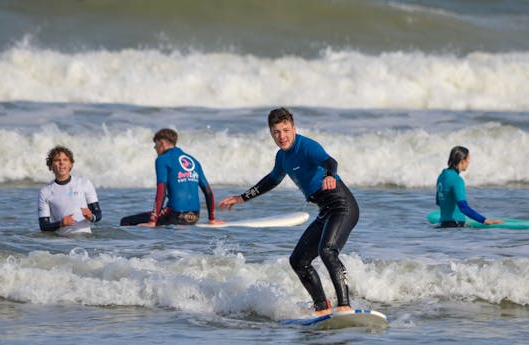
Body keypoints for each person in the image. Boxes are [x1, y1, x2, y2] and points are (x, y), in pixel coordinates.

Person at [219, 108, 359, 316]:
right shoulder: (282, 158)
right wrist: (242, 197)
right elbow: (271, 180)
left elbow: (330, 161)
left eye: (285, 130)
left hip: (342, 206)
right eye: (276, 132)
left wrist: (330, 175)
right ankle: (321, 307)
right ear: (271, 133)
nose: (282, 136)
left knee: (327, 251)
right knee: (298, 261)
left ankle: (345, 305)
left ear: (293, 128)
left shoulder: (307, 146)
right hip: (325, 211)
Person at [120, 128, 223, 227]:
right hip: (194, 217)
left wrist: (152, 220)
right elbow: (208, 192)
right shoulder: (194, 161)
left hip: (175, 215)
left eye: (155, 144)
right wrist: (212, 219)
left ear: (162, 143)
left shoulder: (162, 160)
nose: (154, 148)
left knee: (125, 221)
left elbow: (161, 192)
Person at [38, 146, 102, 235]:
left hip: (86, 240)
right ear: (51, 165)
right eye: (57, 160)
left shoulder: (85, 184)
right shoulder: (45, 192)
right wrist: (61, 223)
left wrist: (91, 217)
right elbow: (43, 226)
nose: (61, 163)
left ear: (71, 164)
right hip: (62, 241)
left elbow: (98, 214)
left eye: (65, 160)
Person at [436, 146, 503, 227]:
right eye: (468, 159)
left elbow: (438, 201)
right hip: (455, 227)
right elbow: (464, 208)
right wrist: (485, 220)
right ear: (462, 161)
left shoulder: (441, 176)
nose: (469, 162)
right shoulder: (457, 180)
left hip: (442, 224)